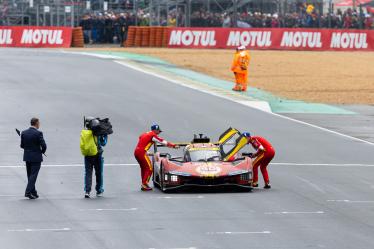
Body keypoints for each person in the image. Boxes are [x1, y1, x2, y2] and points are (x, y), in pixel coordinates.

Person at [134, 124, 178, 191]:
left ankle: (144, 183)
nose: (159, 133)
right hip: (142, 153)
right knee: (149, 168)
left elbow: (141, 142)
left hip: (137, 152)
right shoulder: (152, 135)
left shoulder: (145, 134)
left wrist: (148, 153)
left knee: (144, 168)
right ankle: (144, 184)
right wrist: (173, 145)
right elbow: (162, 141)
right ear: (155, 130)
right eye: (158, 131)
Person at [80, 117, 108, 198]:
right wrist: (105, 135)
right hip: (97, 155)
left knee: (88, 173)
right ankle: (99, 190)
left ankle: (87, 191)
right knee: (99, 173)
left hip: (88, 155)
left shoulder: (84, 133)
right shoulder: (98, 133)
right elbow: (103, 143)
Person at [20, 118, 47, 199]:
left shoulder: (24, 133)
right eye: (39, 123)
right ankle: (28, 192)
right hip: (36, 157)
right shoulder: (38, 133)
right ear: (36, 123)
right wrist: (42, 151)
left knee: (30, 175)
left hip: (27, 157)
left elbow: (22, 145)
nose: (39, 124)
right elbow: (44, 145)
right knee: (33, 175)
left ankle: (33, 192)